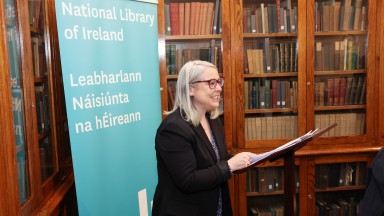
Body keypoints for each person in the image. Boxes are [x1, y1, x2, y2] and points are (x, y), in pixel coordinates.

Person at [152, 60, 256, 216]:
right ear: (191, 89)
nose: (219, 88)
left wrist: (243, 160)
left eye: (219, 82)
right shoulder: (173, 129)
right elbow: (188, 180)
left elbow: (215, 160)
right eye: (212, 83)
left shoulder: (212, 120)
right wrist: (229, 166)